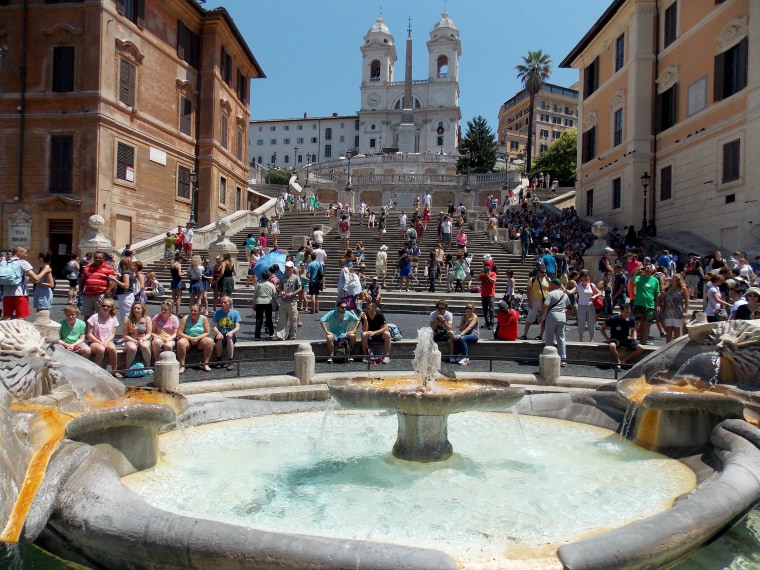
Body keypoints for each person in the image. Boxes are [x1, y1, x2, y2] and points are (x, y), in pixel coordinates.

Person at [600, 305, 645, 369]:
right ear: (621, 311)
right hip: (615, 338)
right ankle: (618, 361)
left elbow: (633, 329)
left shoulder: (630, 319)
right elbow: (602, 328)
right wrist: (607, 338)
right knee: (612, 346)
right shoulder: (613, 319)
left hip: (626, 338)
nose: (627, 314)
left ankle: (624, 360)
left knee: (641, 348)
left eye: (629, 313)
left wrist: (634, 337)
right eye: (626, 312)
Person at [78, 249, 117, 320]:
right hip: (87, 295)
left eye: (99, 258)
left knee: (101, 314)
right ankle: (88, 330)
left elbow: (114, 281)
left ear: (104, 259)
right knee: (87, 316)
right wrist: (80, 290)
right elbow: (82, 280)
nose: (97, 259)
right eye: (95, 257)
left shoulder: (109, 268)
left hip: (100, 294)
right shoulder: (87, 267)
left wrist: (108, 291)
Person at [176, 304, 213, 373]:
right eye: (191, 310)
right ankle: (182, 365)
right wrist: (190, 338)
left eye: (195, 311)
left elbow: (207, 332)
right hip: (188, 339)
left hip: (200, 339)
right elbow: (179, 333)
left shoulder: (204, 318)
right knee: (180, 343)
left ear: (199, 311)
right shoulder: (185, 318)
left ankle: (206, 364)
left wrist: (198, 338)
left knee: (210, 341)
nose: (193, 312)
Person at [541, 279, 570, 366]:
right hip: (562, 316)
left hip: (552, 316)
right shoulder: (564, 295)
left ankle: (549, 357)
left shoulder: (551, 294)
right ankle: (563, 358)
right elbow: (569, 306)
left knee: (549, 336)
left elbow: (546, 305)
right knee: (561, 337)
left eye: (551, 284)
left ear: (554, 284)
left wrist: (541, 314)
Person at [86, 300, 119, 376]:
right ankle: (96, 370)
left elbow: (112, 334)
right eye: (103, 305)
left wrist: (106, 342)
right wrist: (100, 342)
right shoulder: (94, 317)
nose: (105, 307)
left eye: (108, 306)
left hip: (107, 340)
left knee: (113, 349)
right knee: (101, 349)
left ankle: (115, 370)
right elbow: (89, 334)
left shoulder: (113, 318)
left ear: (111, 308)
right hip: (94, 341)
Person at [631, 264, 662, 342]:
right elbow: (632, 283)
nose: (646, 269)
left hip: (650, 305)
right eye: (645, 268)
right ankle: (632, 340)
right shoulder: (639, 277)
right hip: (638, 303)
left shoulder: (655, 280)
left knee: (647, 323)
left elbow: (657, 293)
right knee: (636, 323)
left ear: (652, 270)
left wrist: (658, 304)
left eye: (648, 268)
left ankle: (644, 341)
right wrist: (635, 273)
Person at [212, 296, 242, 368]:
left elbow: (237, 326)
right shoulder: (217, 313)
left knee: (229, 338)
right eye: (222, 302)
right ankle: (219, 360)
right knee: (218, 339)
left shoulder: (235, 313)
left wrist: (231, 332)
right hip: (221, 332)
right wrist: (218, 333)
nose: (223, 304)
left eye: (225, 303)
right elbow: (214, 326)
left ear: (230, 304)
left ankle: (230, 361)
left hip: (230, 333)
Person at [521, 264, 549, 340]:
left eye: (545, 272)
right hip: (535, 300)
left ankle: (540, 335)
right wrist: (529, 301)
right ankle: (525, 334)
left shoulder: (548, 280)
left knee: (543, 318)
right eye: (542, 272)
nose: (544, 274)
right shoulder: (532, 279)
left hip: (544, 301)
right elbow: (528, 291)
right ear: (538, 272)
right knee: (530, 317)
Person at [122, 301, 153, 369]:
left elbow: (149, 333)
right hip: (130, 339)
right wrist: (133, 340)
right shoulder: (127, 319)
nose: (136, 310)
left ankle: (148, 367)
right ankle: (127, 368)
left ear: (142, 309)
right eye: (134, 308)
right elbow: (125, 335)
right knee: (133, 348)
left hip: (143, 338)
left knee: (144, 346)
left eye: (138, 308)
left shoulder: (147, 319)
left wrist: (142, 339)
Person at [659, 275, 689, 342]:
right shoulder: (667, 288)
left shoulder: (682, 289)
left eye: (673, 278)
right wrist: (662, 296)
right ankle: (667, 346)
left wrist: (686, 311)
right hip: (668, 311)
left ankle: (675, 346)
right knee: (668, 330)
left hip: (678, 311)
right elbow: (660, 298)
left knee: (676, 330)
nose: (671, 279)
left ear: (677, 280)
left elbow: (687, 301)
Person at [275, 262, 301, 341]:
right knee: (281, 319)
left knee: (293, 319)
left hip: (292, 301)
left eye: (288, 268)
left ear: (292, 268)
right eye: (286, 267)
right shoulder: (283, 277)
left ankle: (292, 334)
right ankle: (280, 335)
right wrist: (279, 288)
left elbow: (300, 288)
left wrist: (293, 294)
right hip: (283, 300)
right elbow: (280, 287)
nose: (287, 269)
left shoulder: (296, 278)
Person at [575, 270, 602, 343]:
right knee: (581, 322)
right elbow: (571, 291)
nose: (587, 278)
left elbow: (599, 292)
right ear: (581, 278)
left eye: (587, 276)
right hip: (581, 305)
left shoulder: (592, 285)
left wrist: (594, 296)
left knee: (591, 322)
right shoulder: (579, 286)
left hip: (590, 305)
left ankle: (591, 339)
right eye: (585, 276)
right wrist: (565, 290)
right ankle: (580, 339)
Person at [253, 269, 277, 340]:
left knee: (259, 319)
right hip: (268, 302)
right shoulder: (271, 285)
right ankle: (271, 333)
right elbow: (274, 295)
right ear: (269, 276)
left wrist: (254, 304)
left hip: (259, 302)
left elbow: (255, 295)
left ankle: (257, 336)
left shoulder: (258, 285)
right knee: (269, 318)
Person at [479, 257, 498, 329]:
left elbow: (493, 281)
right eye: (485, 266)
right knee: (485, 310)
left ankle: (492, 323)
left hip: (491, 294)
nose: (486, 267)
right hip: (484, 294)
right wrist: (480, 273)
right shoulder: (483, 274)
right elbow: (477, 279)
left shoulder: (493, 273)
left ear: (490, 267)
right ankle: (487, 322)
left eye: (487, 266)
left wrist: (487, 276)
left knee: (491, 309)